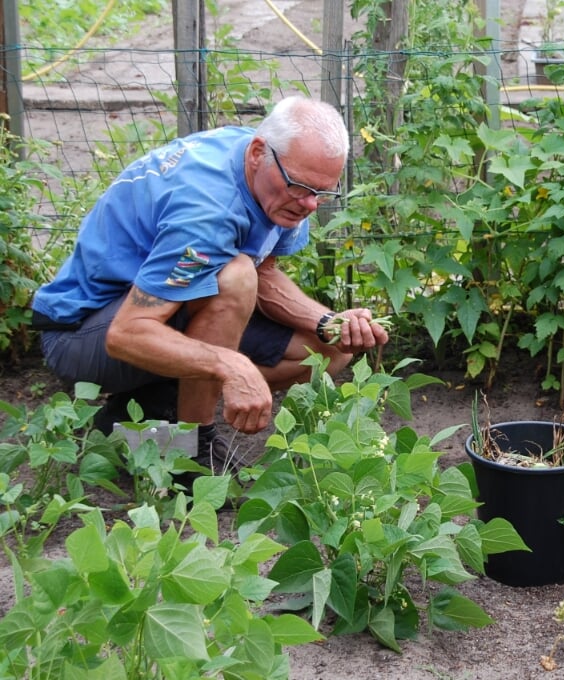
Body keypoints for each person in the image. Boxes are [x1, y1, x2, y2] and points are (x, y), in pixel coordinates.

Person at [30, 95, 390, 471]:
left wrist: (328, 322)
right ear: (257, 154)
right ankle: (192, 454)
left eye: (322, 192)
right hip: (82, 333)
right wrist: (228, 364)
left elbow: (263, 272)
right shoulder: (206, 214)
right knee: (234, 277)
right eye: (301, 187)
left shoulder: (276, 175)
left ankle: (136, 420)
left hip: (164, 305)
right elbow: (127, 334)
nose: (310, 205)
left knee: (327, 350)